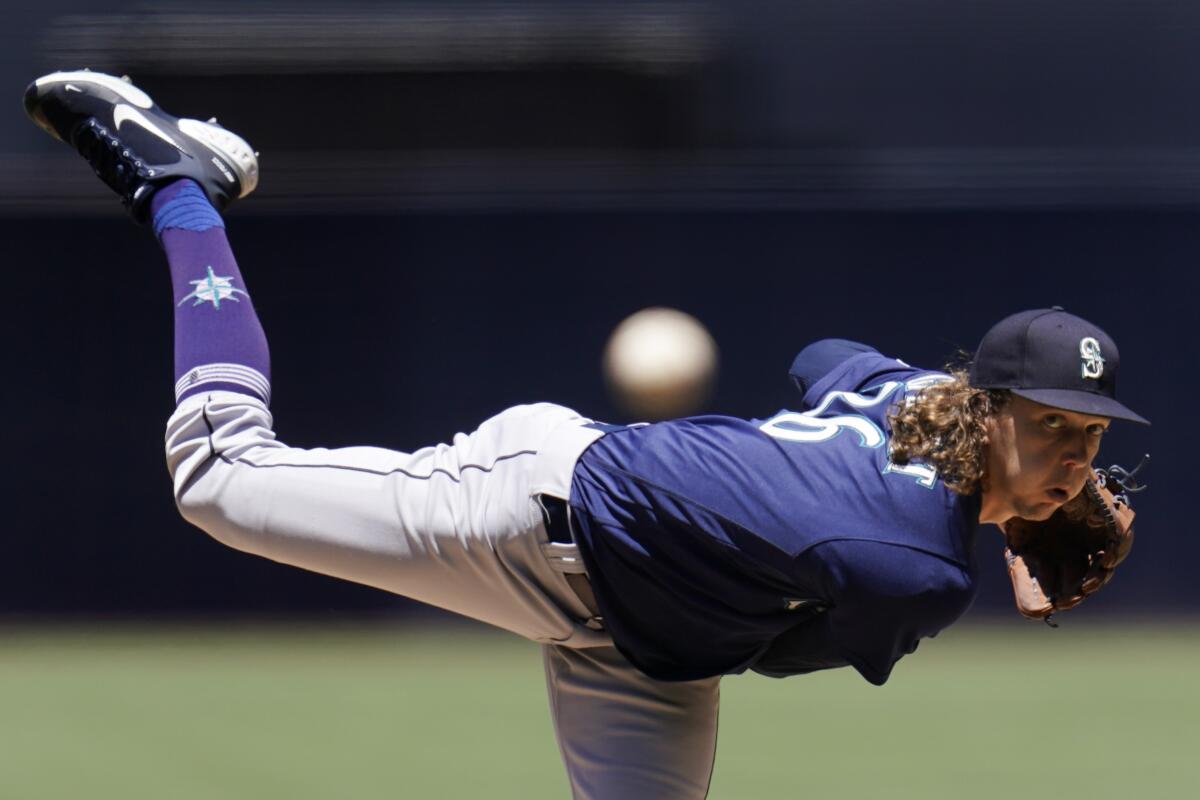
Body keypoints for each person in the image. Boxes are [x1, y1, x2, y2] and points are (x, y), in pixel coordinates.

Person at [25, 71, 1149, 800]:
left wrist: (963, 477)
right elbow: (771, 650)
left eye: (1088, 441)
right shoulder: (914, 566)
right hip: (535, 521)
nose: (1072, 458)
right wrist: (989, 528)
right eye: (1050, 427)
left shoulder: (902, 396)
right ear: (991, 409)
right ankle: (182, 184)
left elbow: (826, 354)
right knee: (218, 477)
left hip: (643, 640)